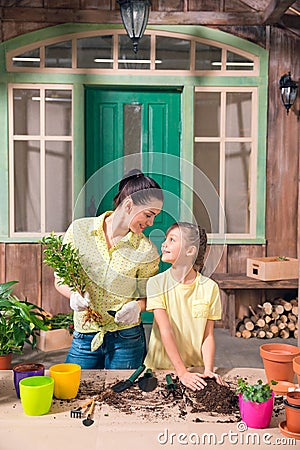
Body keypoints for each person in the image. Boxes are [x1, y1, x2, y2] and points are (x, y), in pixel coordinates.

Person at [55, 169, 163, 370]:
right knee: (72, 393)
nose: (151, 223)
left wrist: (137, 307)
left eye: (155, 216)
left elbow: (152, 296)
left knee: (124, 397)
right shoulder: (79, 231)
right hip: (85, 335)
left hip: (127, 338)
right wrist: (72, 296)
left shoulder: (146, 250)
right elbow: (60, 278)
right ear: (129, 204)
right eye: (148, 215)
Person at [144, 222, 225, 391]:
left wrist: (208, 370)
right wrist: (181, 373)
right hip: (160, 370)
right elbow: (165, 330)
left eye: (172, 240)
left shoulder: (210, 288)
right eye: (166, 239)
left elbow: (207, 335)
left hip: (195, 369)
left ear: (190, 251)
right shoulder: (156, 283)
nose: (164, 244)